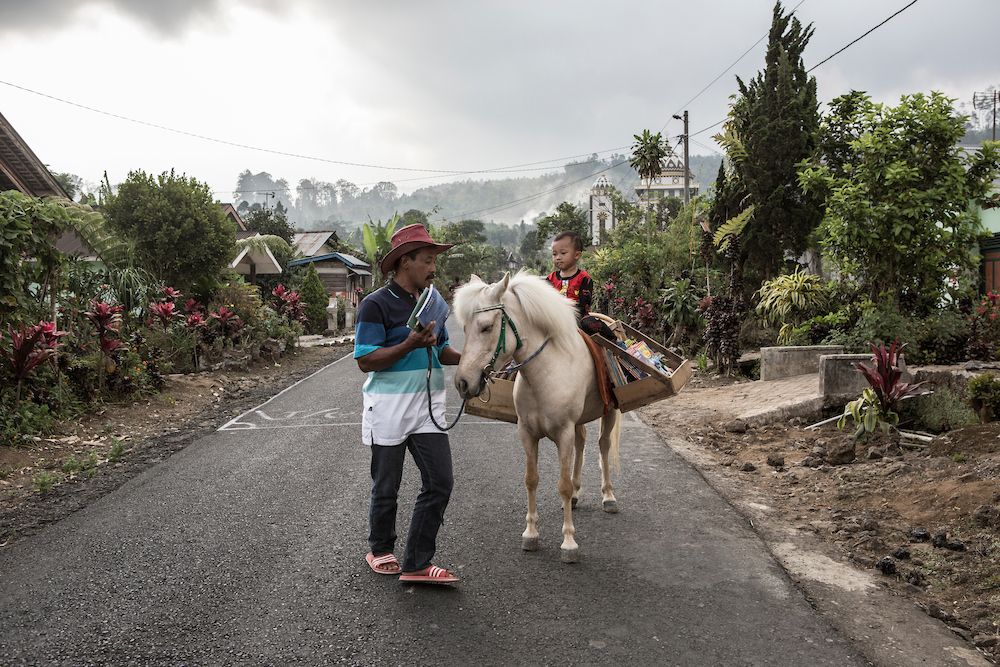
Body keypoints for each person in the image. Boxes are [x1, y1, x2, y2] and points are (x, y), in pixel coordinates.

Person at [354, 223, 463, 585]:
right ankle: (380, 548)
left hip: (428, 407)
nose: (434, 268)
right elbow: (366, 360)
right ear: (405, 262)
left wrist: (473, 358)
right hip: (388, 407)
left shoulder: (432, 303)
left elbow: (442, 349)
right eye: (428, 260)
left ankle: (416, 562)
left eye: (434, 261)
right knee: (387, 485)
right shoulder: (375, 305)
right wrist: (408, 345)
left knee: (440, 482)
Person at [546, 231, 617, 340]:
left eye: (563, 253)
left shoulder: (584, 278)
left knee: (589, 323)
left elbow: (584, 305)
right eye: (554, 254)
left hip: (578, 317)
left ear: (577, 255)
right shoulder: (550, 279)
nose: (558, 257)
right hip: (555, 317)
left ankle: (615, 342)